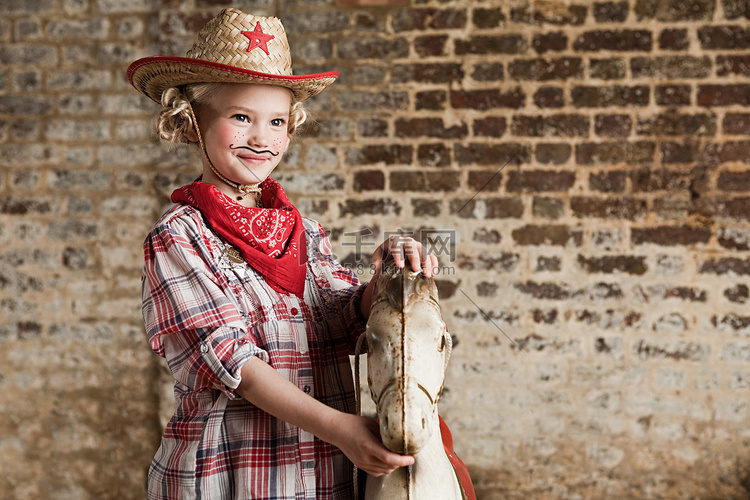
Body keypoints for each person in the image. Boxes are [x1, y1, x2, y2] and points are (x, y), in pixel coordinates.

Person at [127, 8, 438, 500]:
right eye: (240, 117)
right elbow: (238, 364)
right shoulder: (180, 237)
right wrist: (343, 429)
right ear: (191, 122)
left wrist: (388, 278)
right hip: (229, 474)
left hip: (322, 475)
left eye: (276, 121)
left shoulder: (305, 232)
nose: (261, 138)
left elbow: (339, 320)